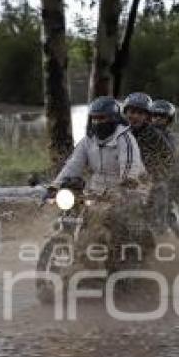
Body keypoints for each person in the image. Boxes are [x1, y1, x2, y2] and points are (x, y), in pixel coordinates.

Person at [51, 96, 150, 270]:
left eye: (102, 118)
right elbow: (73, 164)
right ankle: (69, 245)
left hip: (129, 188)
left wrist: (127, 181)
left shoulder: (125, 138)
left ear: (112, 119)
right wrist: (55, 186)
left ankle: (123, 264)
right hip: (96, 189)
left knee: (117, 225)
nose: (98, 122)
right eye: (94, 118)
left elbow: (130, 164)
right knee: (67, 211)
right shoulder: (88, 140)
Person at [122, 92, 176, 234]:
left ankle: (160, 238)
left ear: (146, 116)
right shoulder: (118, 134)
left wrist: (154, 176)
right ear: (125, 113)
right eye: (131, 112)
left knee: (156, 217)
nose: (134, 116)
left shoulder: (154, 135)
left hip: (150, 183)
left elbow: (168, 159)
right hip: (121, 181)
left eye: (139, 113)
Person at [151, 99, 179, 238]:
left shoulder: (171, 139)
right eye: (154, 116)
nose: (157, 119)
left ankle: (170, 235)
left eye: (161, 117)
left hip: (166, 182)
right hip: (148, 181)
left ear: (168, 120)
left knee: (163, 212)